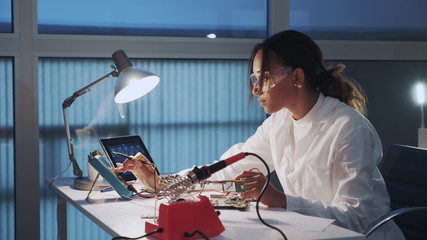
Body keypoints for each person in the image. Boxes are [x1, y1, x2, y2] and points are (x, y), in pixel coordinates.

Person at [116, 30, 404, 239]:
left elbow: (358, 220)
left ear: (297, 77)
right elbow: (223, 171)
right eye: (254, 79)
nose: (255, 89)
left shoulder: (347, 128)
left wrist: (281, 200)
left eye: (263, 78)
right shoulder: (279, 122)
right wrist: (162, 181)